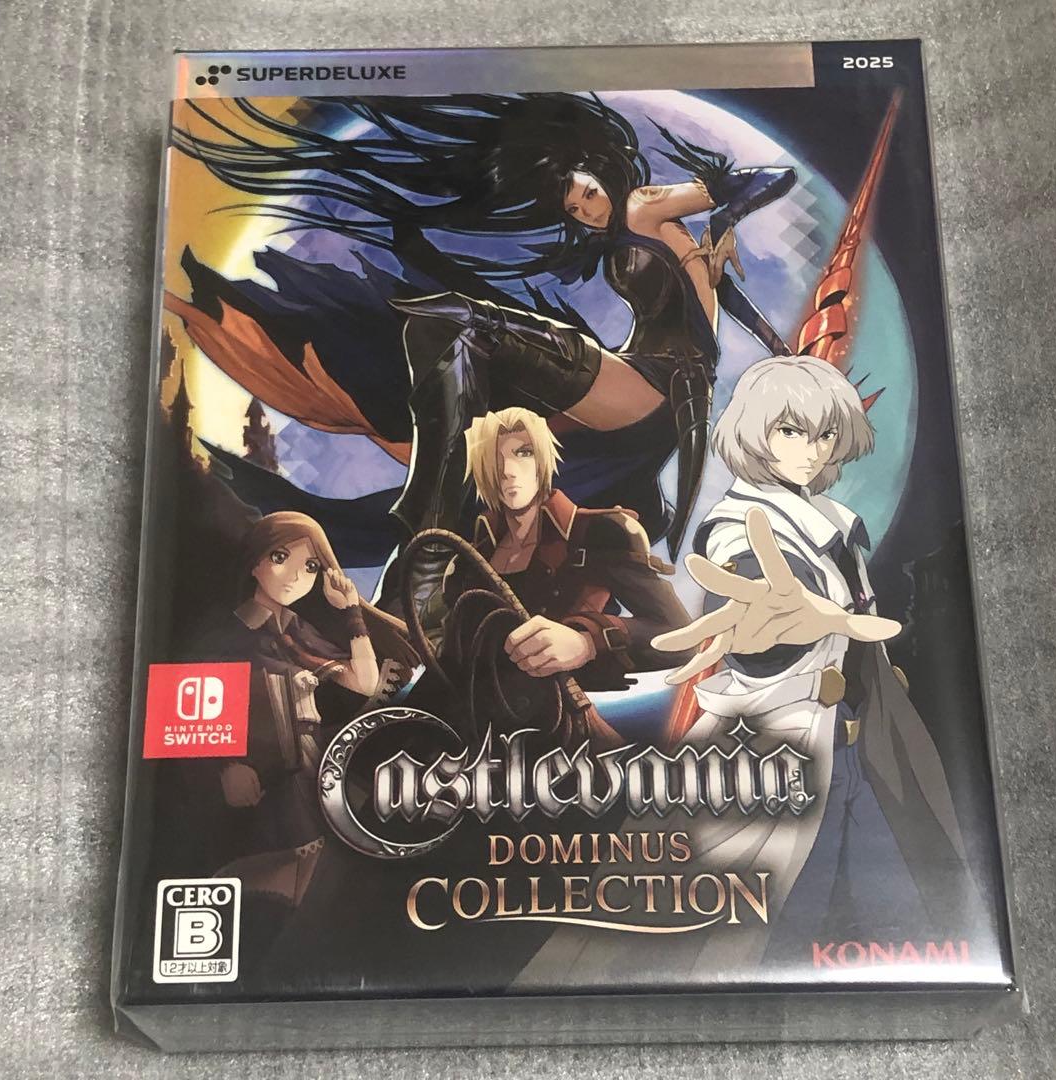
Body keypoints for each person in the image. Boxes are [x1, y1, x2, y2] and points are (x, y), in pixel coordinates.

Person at [165, 94, 796, 616]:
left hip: (656, 384)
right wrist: (777, 346)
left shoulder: (642, 205)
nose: (585, 210)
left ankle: (429, 540)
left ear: (595, 168)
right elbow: (710, 304)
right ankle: (441, 545)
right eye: (574, 209)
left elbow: (768, 179)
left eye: (583, 193)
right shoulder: (642, 232)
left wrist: (724, 222)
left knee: (457, 325)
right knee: (485, 407)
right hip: (647, 389)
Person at [651, 354, 975, 957]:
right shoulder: (740, 526)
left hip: (861, 747)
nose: (812, 450)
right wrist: (778, 627)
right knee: (767, 940)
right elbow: (753, 600)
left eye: (825, 434)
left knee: (909, 925)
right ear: (755, 432)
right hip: (783, 755)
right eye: (791, 431)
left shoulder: (824, 518)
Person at [413, 406, 694, 751]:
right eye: (496, 458)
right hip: (468, 740)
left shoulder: (598, 532)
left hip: (561, 736)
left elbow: (681, 637)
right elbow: (448, 660)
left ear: (544, 459)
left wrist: (586, 642)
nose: (509, 470)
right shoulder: (469, 560)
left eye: (523, 453)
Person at [179, 511, 416, 903]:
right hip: (265, 786)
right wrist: (225, 765)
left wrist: (352, 612)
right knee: (304, 877)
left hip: (315, 771)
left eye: (309, 567)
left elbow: (364, 682)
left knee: (331, 874)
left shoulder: (298, 632)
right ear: (254, 562)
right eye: (280, 558)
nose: (294, 576)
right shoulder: (227, 636)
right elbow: (185, 713)